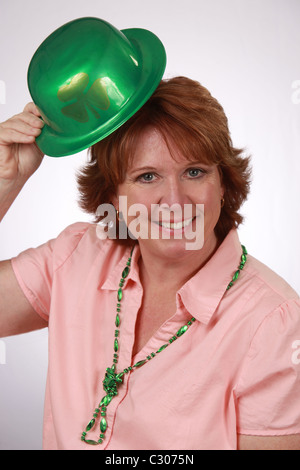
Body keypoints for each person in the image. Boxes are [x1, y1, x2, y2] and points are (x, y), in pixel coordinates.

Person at [0, 77, 299, 450]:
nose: (174, 201)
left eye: (195, 171)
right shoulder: (77, 256)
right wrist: (4, 181)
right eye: (147, 176)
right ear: (113, 194)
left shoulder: (274, 321)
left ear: (223, 183)